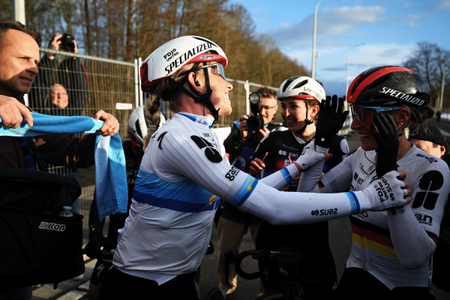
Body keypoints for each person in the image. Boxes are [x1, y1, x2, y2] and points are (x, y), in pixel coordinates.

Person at [98, 36, 411, 300]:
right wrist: (370, 197)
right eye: (219, 71)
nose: (230, 85)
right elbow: (272, 206)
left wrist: (301, 162)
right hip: (144, 285)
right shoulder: (182, 138)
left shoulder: (198, 132)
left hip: (168, 279)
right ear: (196, 80)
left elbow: (249, 191)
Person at [297, 65, 450, 300]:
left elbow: (415, 257)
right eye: (354, 112)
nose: (356, 125)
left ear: (401, 118)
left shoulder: (431, 168)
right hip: (354, 280)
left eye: (365, 114)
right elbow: (304, 202)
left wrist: (390, 175)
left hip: (401, 291)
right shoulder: (361, 156)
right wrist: (321, 144)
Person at [0, 21, 119, 300]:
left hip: (15, 258)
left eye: (36, 60)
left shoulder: (26, 120)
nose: (34, 67)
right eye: (23, 58)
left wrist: (100, 133)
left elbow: (73, 152)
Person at [245, 76, 349, 299]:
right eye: (284, 106)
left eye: (293, 106)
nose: (286, 113)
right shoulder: (273, 139)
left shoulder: (337, 144)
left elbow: (347, 190)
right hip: (272, 232)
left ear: (314, 110)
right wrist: (251, 171)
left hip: (313, 236)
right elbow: (248, 179)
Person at [84, 103, 165, 300]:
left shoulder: (166, 156)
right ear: (131, 138)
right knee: (95, 293)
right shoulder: (119, 152)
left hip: (154, 240)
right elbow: (101, 197)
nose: (144, 154)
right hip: (117, 238)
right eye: (139, 148)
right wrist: (95, 234)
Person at [217, 86, 280, 296]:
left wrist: (270, 141)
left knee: (265, 254)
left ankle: (266, 291)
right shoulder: (240, 125)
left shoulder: (280, 133)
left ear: (276, 108)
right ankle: (225, 286)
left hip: (262, 204)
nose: (263, 113)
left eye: (269, 108)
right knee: (226, 251)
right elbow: (223, 152)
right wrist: (240, 134)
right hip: (234, 201)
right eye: (260, 107)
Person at [29, 32, 87, 116]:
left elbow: (79, 87)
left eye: (63, 94)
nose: (60, 96)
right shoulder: (43, 111)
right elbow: (39, 84)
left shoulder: (74, 110)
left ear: (68, 97)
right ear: (48, 97)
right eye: (55, 94)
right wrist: (50, 55)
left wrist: (74, 58)